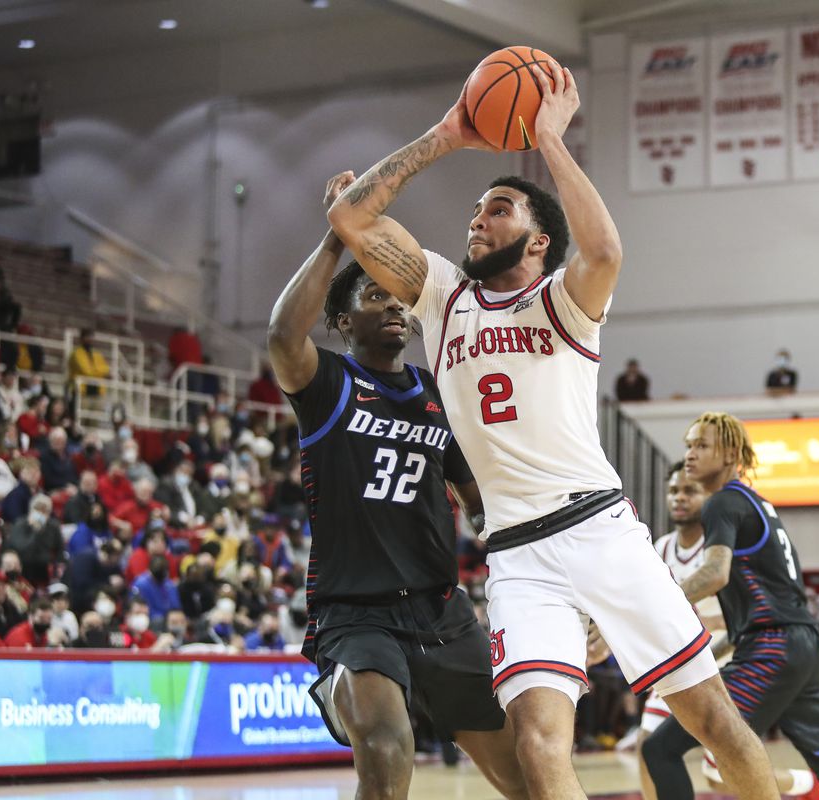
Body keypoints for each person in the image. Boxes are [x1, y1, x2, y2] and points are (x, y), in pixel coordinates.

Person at [328, 65, 778, 800]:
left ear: (538, 240)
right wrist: (447, 135)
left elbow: (604, 253)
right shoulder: (443, 296)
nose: (477, 219)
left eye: (498, 208)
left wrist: (547, 140)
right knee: (539, 748)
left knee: (714, 722)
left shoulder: (565, 301)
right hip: (517, 555)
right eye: (476, 209)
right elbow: (350, 218)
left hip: (600, 529)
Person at [268, 172, 528, 800]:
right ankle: (340, 682)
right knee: (387, 754)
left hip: (442, 612)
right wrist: (340, 233)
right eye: (373, 296)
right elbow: (281, 336)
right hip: (358, 613)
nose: (393, 305)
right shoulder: (325, 385)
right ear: (340, 318)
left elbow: (481, 506)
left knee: (525, 777)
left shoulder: (438, 394)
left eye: (397, 297)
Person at [643, 412, 819, 800]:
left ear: (731, 452)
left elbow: (715, 573)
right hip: (799, 645)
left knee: (662, 749)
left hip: (773, 648)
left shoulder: (722, 503)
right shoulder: (759, 504)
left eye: (701, 445)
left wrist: (658, 604)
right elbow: (767, 606)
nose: (689, 454)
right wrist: (709, 654)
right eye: (688, 445)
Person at [635, 464, 819, 800]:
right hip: (681, 661)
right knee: (648, 746)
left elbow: (743, 619)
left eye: (689, 491)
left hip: (725, 658)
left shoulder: (723, 546)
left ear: (707, 497)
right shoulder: (661, 547)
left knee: (718, 773)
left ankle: (807, 785)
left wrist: (707, 637)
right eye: (674, 491)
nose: (679, 498)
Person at [3, 493, 64, 585]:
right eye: (38, 509)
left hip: (44, 568)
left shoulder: (53, 527)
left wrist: (58, 564)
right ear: (31, 510)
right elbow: (21, 547)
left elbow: (60, 548)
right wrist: (35, 531)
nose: (41, 513)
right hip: (23, 566)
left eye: (44, 511)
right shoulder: (20, 524)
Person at [66, 327, 110, 400]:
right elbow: (86, 371)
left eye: (91, 336)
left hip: (97, 392)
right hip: (81, 392)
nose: (90, 339)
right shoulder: (76, 353)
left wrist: (94, 370)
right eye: (87, 336)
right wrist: (100, 372)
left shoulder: (97, 354)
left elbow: (106, 369)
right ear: (81, 338)